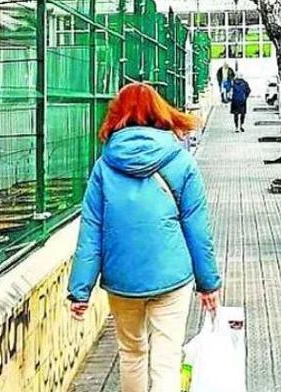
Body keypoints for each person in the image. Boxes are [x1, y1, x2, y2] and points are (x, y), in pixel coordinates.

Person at [68, 82, 222, 392]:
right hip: (172, 276)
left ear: (117, 115)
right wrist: (208, 283)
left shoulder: (104, 166)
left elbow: (91, 231)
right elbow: (197, 228)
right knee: (166, 362)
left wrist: (80, 290)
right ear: (159, 111)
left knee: (131, 353)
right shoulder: (180, 162)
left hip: (122, 280)